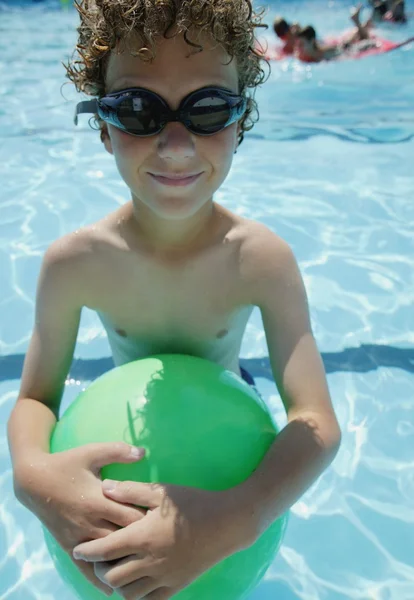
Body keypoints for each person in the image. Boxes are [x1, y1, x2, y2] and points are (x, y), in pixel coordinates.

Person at [7, 0, 341, 597]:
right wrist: (33, 475)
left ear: (241, 121)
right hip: (119, 419)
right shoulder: (74, 264)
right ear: (104, 127)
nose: (178, 145)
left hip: (228, 417)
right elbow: (36, 397)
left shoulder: (261, 261)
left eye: (210, 109)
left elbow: (315, 421)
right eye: (139, 111)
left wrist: (238, 518)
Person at [296, 5, 376, 62]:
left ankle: (358, 22)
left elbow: (344, 52)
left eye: (301, 44)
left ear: (312, 41)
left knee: (365, 38)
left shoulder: (323, 54)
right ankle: (364, 25)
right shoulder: (305, 53)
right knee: (355, 36)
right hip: (340, 46)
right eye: (298, 45)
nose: (298, 48)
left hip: (346, 49)